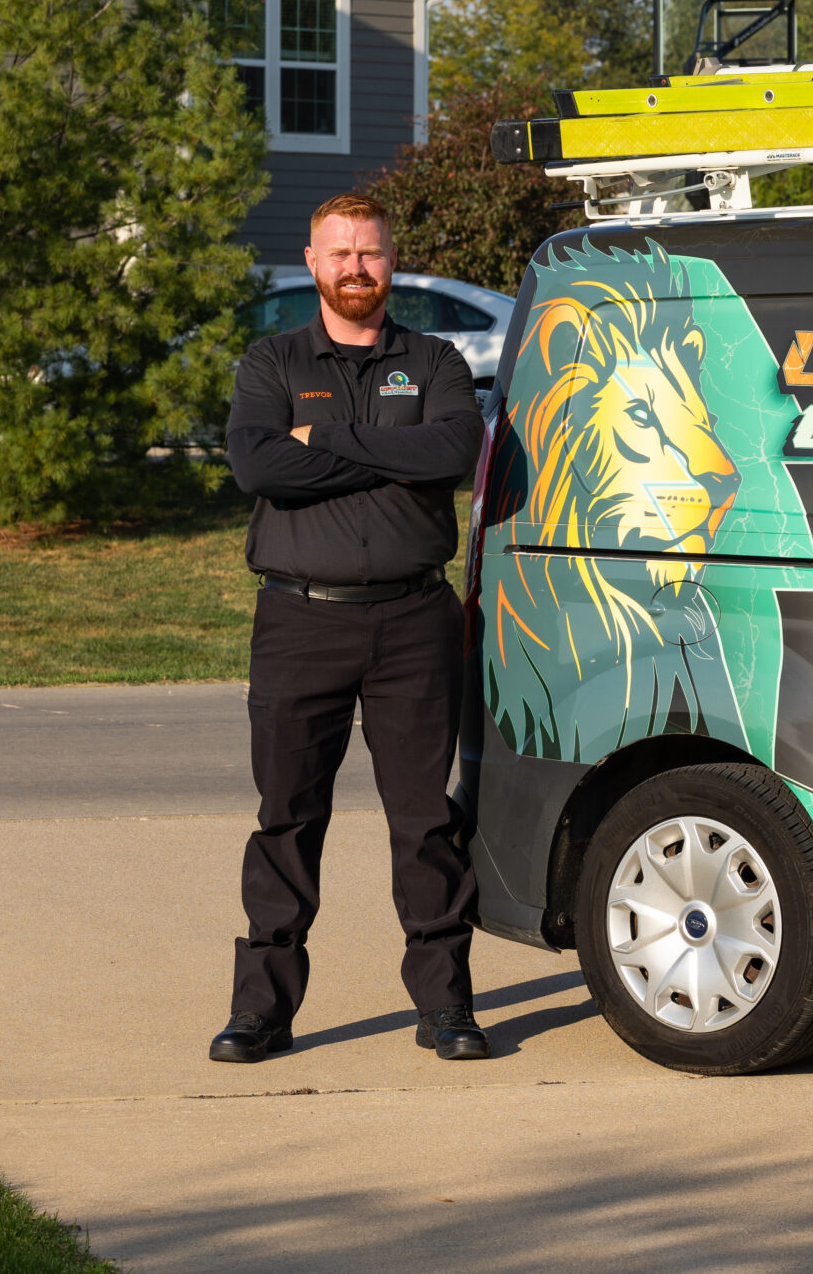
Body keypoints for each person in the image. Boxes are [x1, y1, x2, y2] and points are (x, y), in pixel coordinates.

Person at [209, 193, 490, 1065]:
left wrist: (324, 436)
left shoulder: (434, 358)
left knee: (424, 822)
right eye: (340, 254)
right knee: (287, 817)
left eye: (369, 253)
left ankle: (446, 1006)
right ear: (313, 259)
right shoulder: (273, 359)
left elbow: (453, 452)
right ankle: (263, 1010)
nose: (356, 268)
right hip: (300, 621)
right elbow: (259, 463)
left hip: (414, 622)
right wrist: (379, 450)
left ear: (390, 260)